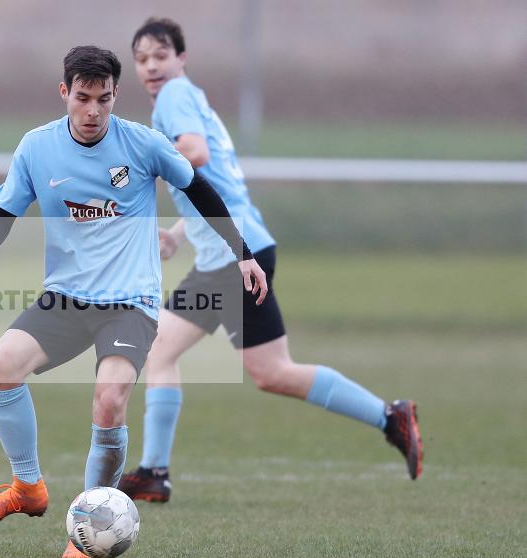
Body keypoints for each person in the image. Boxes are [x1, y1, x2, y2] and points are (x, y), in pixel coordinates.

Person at [0, 45, 267, 558]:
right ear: (64, 93)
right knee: (1, 364)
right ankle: (27, 489)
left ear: (116, 95)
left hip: (130, 301)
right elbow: (4, 210)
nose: (93, 111)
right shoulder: (36, 147)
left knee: (109, 400)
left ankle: (91, 519)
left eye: (104, 99)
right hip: (67, 299)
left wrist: (243, 254)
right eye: (83, 98)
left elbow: (202, 190)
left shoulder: (143, 144)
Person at [118, 18, 423, 504]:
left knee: (160, 351)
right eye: (142, 59)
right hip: (241, 247)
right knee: (272, 371)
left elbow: (192, 155)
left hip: (231, 255)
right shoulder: (189, 99)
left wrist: (136, 161)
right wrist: (178, 234)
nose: (152, 66)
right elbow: (217, 180)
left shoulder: (175, 97)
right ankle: (391, 417)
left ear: (181, 59)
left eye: (160, 55)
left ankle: (154, 471)